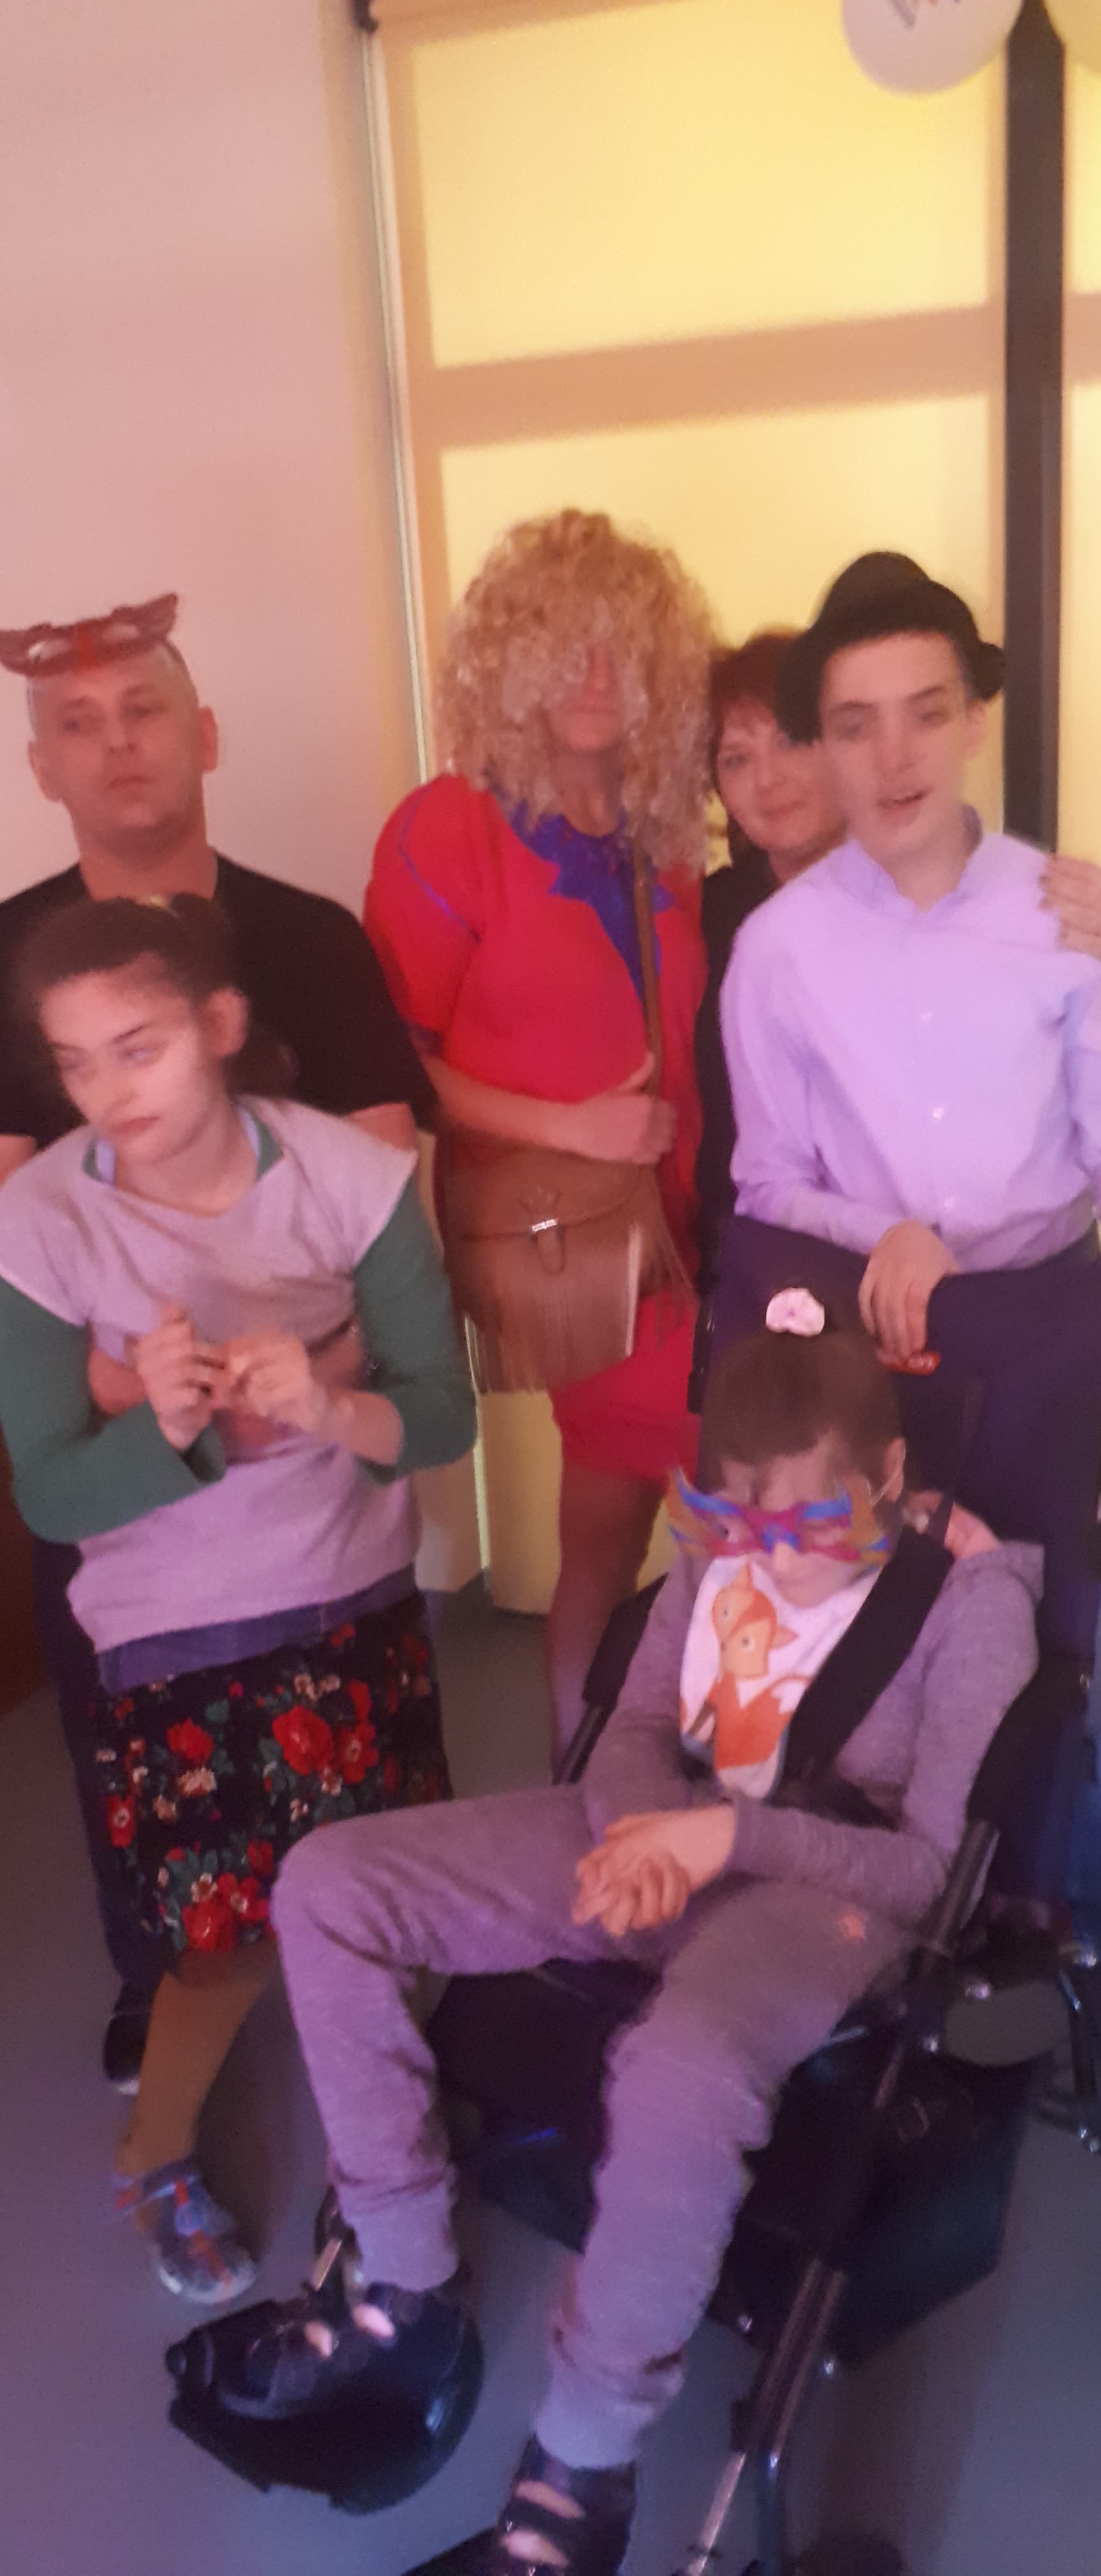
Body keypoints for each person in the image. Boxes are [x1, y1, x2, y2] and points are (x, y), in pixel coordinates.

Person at [212, 1298, 1039, 2576]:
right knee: (329, 1886)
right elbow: (642, 1725)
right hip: (663, 1830)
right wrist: (644, 1835)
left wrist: (726, 1840)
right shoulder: (720, 1550)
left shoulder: (970, 1603)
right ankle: (407, 2279)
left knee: (684, 2063)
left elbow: (928, 1873)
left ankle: (579, 2478)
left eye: (806, 1521)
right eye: (740, 1519)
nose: (767, 1557)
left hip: (827, 1883)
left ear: (887, 1473)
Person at [721, 552, 1101, 1970]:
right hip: (869, 1335)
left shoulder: (1066, 915)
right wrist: (881, 1233)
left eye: (926, 712)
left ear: (972, 721)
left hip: (1048, 1321)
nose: (893, 757)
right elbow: (766, 1184)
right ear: (821, 745)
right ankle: (878, 1918)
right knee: (863, 1613)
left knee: (1062, 1636)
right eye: (854, 724)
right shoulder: (778, 951)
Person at [0, 895, 475, 2300]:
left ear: (218, 1025)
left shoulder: (350, 1179)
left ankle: (384, 2148)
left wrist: (330, 1407)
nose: (108, 1092)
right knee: (220, 1945)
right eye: (74, 1062)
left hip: (352, 1596)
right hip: (178, 1632)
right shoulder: (38, 1221)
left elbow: (442, 1413)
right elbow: (50, 1492)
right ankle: (153, 2150)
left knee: (383, 1899)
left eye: (137, 1047)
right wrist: (167, 1428)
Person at [0, 593, 435, 2092]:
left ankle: (384, 1975)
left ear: (206, 733)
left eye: (144, 710)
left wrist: (324, 1384)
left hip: (321, 1434)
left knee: (360, 1715)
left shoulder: (310, 938)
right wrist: (132, 1391)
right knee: (130, 1729)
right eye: (77, 724)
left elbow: (387, 1178)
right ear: (40, 768)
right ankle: (162, 1976)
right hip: (126, 1441)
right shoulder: (7, 958)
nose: (116, 744)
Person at [362, 511, 714, 1751]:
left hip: (706, 1219)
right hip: (578, 1237)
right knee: (714, 1498)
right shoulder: (444, 832)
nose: (596, 677)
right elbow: (396, 1063)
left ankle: (615, 1776)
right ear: (509, 664)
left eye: (623, 648)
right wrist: (572, 1125)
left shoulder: (674, 827)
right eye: (565, 646)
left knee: (609, 1525)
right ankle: (613, 1778)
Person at [695, 628, 1101, 1286]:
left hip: (1026, 1277)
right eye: (735, 759)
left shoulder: (1002, 893)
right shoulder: (714, 924)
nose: (768, 779)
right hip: (796, 1278)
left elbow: (1098, 1100)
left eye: (788, 742)